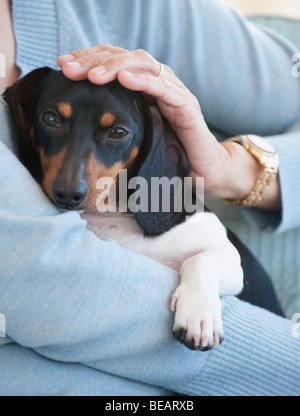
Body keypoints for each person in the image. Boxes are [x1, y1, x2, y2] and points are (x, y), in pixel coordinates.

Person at [0, 0, 299, 396]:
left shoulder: (168, 205)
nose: (72, 181)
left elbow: (223, 261)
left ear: (150, 148)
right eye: (52, 120)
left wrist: (231, 168)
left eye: (116, 134)